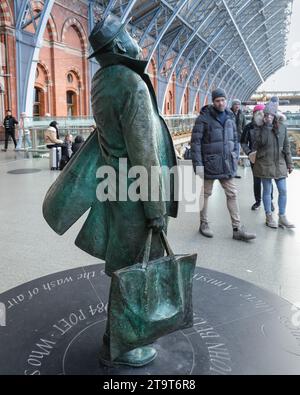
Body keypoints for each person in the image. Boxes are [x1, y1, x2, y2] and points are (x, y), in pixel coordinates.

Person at [42, 14, 178, 367]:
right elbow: (144, 154)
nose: (135, 41)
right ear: (119, 46)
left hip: (115, 186)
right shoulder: (131, 84)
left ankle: (115, 335)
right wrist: (156, 208)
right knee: (132, 265)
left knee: (123, 260)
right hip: (135, 190)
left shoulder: (103, 80)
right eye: (130, 35)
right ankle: (123, 344)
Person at [191, 88, 256, 242]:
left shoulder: (230, 117)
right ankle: (204, 224)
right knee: (205, 195)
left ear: (226, 101)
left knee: (232, 194)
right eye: (217, 100)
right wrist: (198, 166)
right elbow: (195, 144)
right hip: (209, 165)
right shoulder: (203, 119)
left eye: (223, 100)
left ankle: (237, 229)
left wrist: (234, 157)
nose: (221, 103)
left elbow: (234, 139)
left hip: (226, 164)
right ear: (213, 102)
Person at [253, 103, 295, 229]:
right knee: (267, 191)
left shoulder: (282, 127)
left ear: (275, 115)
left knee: (283, 190)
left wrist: (290, 163)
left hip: (279, 163)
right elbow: (259, 143)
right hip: (265, 164)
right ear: (264, 116)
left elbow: (286, 146)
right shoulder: (259, 128)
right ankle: (269, 216)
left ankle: (282, 216)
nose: (268, 117)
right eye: (266, 115)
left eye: (271, 115)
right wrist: (266, 127)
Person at [241, 104, 274, 211]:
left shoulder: (269, 126)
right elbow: (243, 142)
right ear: (254, 114)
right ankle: (258, 201)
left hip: (268, 157)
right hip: (254, 157)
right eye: (258, 113)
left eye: (262, 113)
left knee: (268, 180)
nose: (261, 116)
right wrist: (249, 153)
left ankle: (270, 201)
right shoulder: (248, 127)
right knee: (257, 180)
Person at [231, 99, 247, 179]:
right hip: (229, 138)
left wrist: (244, 137)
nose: (237, 106)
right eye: (235, 104)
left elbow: (244, 126)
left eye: (238, 104)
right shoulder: (228, 114)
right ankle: (228, 172)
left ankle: (234, 172)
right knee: (228, 155)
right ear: (232, 105)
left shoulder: (242, 114)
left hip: (238, 138)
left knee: (236, 156)